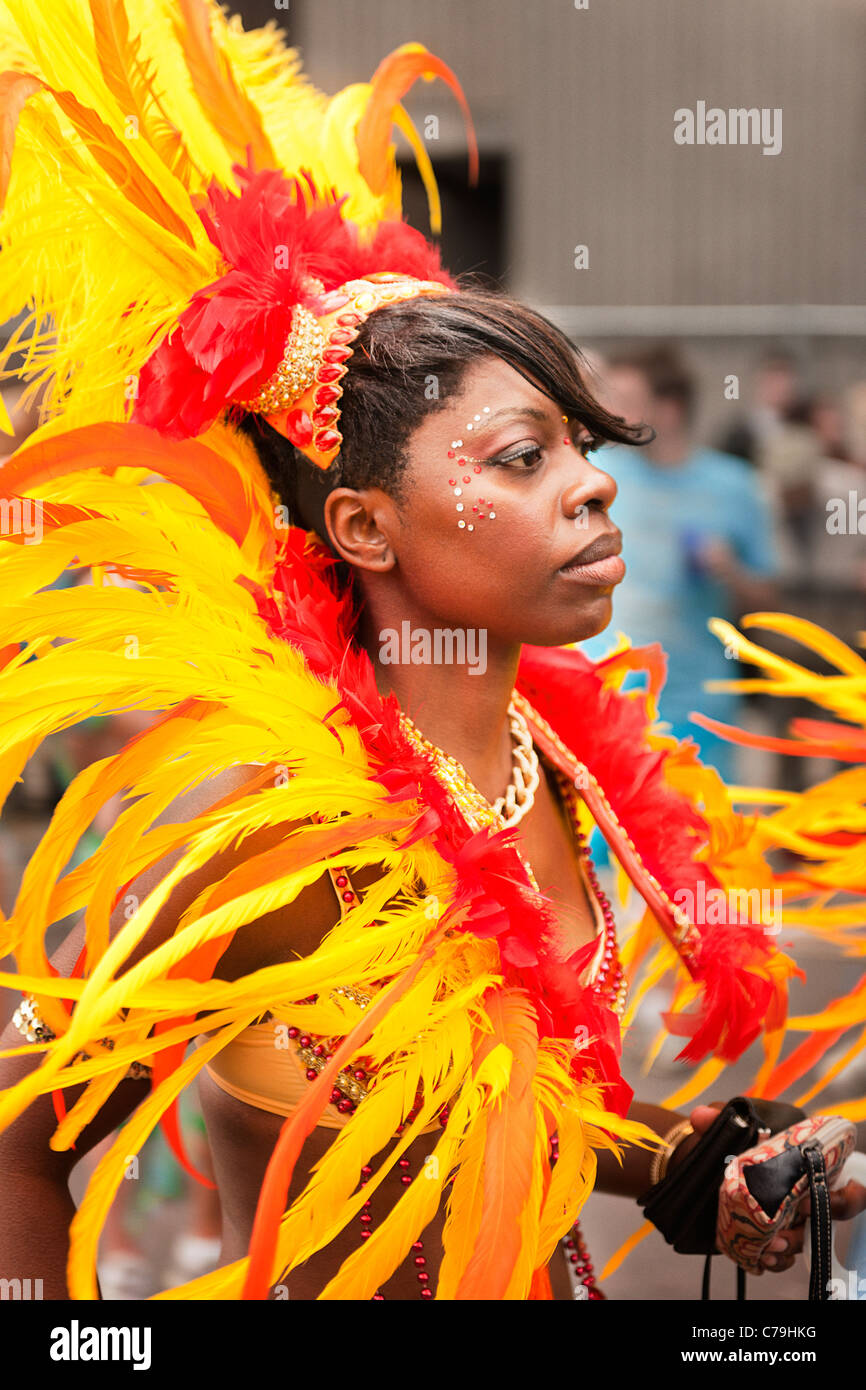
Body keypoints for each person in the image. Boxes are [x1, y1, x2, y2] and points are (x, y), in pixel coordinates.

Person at [0, 1, 862, 1303]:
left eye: (582, 446)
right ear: (362, 523)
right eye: (522, 458)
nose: (590, 489)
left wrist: (697, 1165)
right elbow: (20, 1145)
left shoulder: (559, 775)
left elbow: (512, 1089)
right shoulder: (277, 844)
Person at [581, 344, 779, 782]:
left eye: (628, 402)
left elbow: (766, 597)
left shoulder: (734, 486)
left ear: (669, 410)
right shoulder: (596, 473)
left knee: (698, 832)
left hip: (698, 697)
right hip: (606, 687)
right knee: (600, 834)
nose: (613, 413)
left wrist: (728, 569)